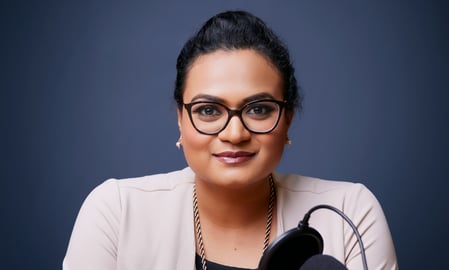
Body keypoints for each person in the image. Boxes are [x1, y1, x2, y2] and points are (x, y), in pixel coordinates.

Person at [63, 10, 398, 270]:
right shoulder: (116, 212)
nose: (235, 134)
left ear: (288, 118)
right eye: (208, 110)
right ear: (180, 118)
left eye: (259, 109)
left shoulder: (348, 213)